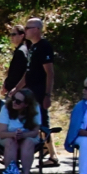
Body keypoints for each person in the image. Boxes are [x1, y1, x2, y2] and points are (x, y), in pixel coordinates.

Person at [10, 18, 56, 165]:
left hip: (40, 91)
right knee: (35, 121)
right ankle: (45, 150)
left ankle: (53, 155)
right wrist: (16, 89)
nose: (26, 30)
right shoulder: (32, 47)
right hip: (30, 91)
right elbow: (27, 73)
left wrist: (48, 95)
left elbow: (49, 73)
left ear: (36, 29)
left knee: (43, 122)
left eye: (28, 28)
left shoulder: (44, 46)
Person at [0, 87, 41, 174]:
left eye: (18, 101)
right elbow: (1, 133)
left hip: (27, 137)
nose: (14, 102)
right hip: (7, 137)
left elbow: (35, 132)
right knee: (11, 142)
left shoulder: (35, 109)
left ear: (26, 104)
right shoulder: (6, 108)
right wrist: (14, 134)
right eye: (14, 98)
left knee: (28, 142)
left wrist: (23, 135)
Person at [1, 24, 28, 100]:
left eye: (14, 34)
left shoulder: (21, 51)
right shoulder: (23, 49)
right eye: (11, 34)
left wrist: (7, 86)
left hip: (16, 89)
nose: (11, 37)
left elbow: (16, 73)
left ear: (22, 35)